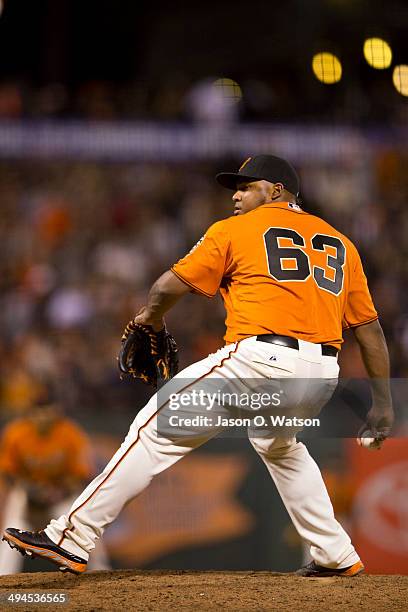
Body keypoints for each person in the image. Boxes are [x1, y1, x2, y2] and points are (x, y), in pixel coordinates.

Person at [3, 154, 394, 577]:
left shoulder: (237, 229)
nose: (237, 195)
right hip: (319, 375)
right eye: (235, 189)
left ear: (277, 191)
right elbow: (370, 332)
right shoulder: (341, 243)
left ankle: (71, 537)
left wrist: (145, 321)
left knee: (153, 429)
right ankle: (335, 554)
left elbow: (165, 286)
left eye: (247, 186)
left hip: (261, 361)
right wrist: (383, 404)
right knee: (279, 445)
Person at [0, 386, 110, 573]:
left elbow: (82, 475)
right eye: (38, 411)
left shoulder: (70, 434)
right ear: (30, 412)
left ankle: (99, 569)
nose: (43, 416)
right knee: (11, 527)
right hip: (27, 494)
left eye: (47, 410)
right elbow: (8, 472)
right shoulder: (16, 433)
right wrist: (29, 489)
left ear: (57, 410)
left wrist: (58, 492)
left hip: (60, 493)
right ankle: (3, 574)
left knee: (81, 524)